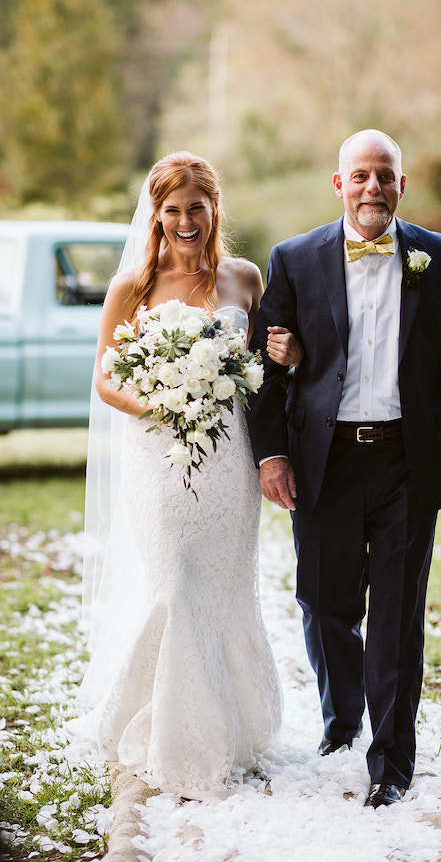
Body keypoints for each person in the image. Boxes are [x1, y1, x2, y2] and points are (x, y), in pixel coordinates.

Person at [246, 129, 441, 808]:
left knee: (395, 616)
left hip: (407, 459)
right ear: (339, 184)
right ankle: (343, 718)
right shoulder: (295, 259)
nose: (372, 187)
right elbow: (267, 370)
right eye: (359, 175)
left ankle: (390, 761)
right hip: (320, 459)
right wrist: (270, 452)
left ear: (401, 184)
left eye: (384, 175)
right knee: (325, 603)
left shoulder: (439, 257)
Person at [77, 151, 302, 798]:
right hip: (159, 459)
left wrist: (290, 351)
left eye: (194, 207)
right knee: (174, 585)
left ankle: (234, 728)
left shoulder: (242, 279)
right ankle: (174, 735)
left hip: (228, 461)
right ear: (156, 214)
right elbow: (104, 375)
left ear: (213, 208)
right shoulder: (132, 287)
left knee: (223, 591)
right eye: (171, 210)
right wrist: (159, 401)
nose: (184, 220)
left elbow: (265, 367)